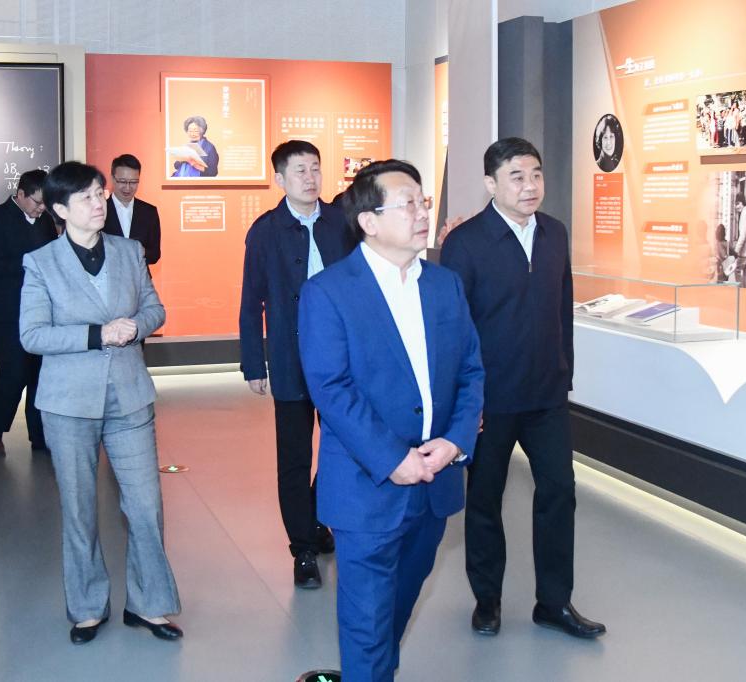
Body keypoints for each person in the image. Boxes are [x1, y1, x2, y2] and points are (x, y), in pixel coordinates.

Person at [299, 159, 485, 681]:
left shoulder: (445, 285)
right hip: (367, 486)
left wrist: (456, 440)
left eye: (424, 202)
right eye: (409, 204)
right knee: (366, 624)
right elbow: (331, 389)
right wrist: (392, 458)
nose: (424, 213)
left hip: (435, 480)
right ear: (369, 221)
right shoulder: (329, 292)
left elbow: (471, 370)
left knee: (396, 608)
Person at [441, 138, 607, 640]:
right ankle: (487, 600)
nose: (530, 185)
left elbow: (562, 309)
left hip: (546, 395)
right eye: (517, 176)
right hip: (489, 400)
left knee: (559, 492)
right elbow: (454, 328)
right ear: (491, 184)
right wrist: (463, 402)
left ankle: (554, 603)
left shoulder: (554, 233)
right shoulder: (466, 242)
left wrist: (564, 371)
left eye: (536, 174)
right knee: (485, 499)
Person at [19, 161, 181, 645]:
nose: (100, 202)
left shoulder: (130, 252)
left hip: (129, 396)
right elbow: (32, 335)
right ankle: (88, 607)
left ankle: (148, 604)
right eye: (87, 197)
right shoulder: (41, 263)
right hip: (68, 403)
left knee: (146, 506)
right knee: (79, 509)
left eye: (100, 193)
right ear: (60, 209)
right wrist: (97, 334)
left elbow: (155, 308)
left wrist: (138, 326)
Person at [239, 140, 351, 588]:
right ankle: (303, 548)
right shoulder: (265, 231)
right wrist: (254, 362)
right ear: (280, 179)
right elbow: (251, 301)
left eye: (315, 168)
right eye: (300, 170)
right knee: (294, 456)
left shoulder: (341, 223)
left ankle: (316, 517)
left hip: (342, 358)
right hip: (291, 358)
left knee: (343, 445)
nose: (310, 178)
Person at [0, 169, 57, 456]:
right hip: (8, 311)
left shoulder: (45, 220)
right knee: (13, 374)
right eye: (37, 202)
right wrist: (33, 266)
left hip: (41, 311)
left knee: (40, 374)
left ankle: (39, 436)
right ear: (21, 194)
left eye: (45, 203)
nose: (41, 208)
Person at [104, 154, 162, 265]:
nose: (128, 187)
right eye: (122, 181)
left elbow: (155, 255)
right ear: (112, 178)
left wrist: (139, 251)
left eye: (133, 182)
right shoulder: (101, 210)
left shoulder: (149, 212)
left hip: (140, 275)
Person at [733, 193, 746, 288]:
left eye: (737, 204)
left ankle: (740, 291)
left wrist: (736, 250)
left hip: (744, 251)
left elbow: (743, 235)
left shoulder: (744, 215)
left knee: (737, 270)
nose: (736, 206)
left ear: (742, 202)